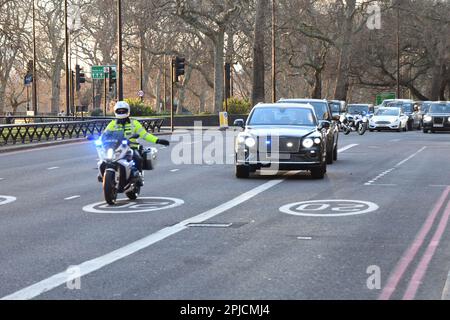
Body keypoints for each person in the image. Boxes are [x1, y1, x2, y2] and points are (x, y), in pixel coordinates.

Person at [99, 101, 170, 185]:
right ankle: (103, 175)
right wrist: (99, 139)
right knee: (104, 159)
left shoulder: (134, 123)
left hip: (132, 146)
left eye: (123, 111)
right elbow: (104, 134)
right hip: (116, 147)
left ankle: (138, 177)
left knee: (138, 158)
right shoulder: (112, 124)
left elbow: (145, 135)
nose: (121, 113)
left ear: (128, 111)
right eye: (119, 111)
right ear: (115, 111)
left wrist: (157, 140)